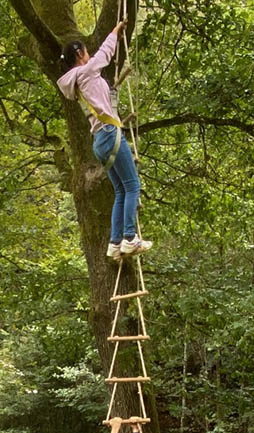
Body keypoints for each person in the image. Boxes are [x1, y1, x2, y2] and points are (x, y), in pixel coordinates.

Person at [57, 20, 153, 260]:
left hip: (101, 139)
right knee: (132, 186)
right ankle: (129, 238)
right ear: (79, 54)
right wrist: (114, 33)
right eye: (85, 51)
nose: (89, 54)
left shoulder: (78, 82)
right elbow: (105, 55)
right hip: (110, 134)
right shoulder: (85, 72)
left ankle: (114, 242)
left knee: (121, 190)